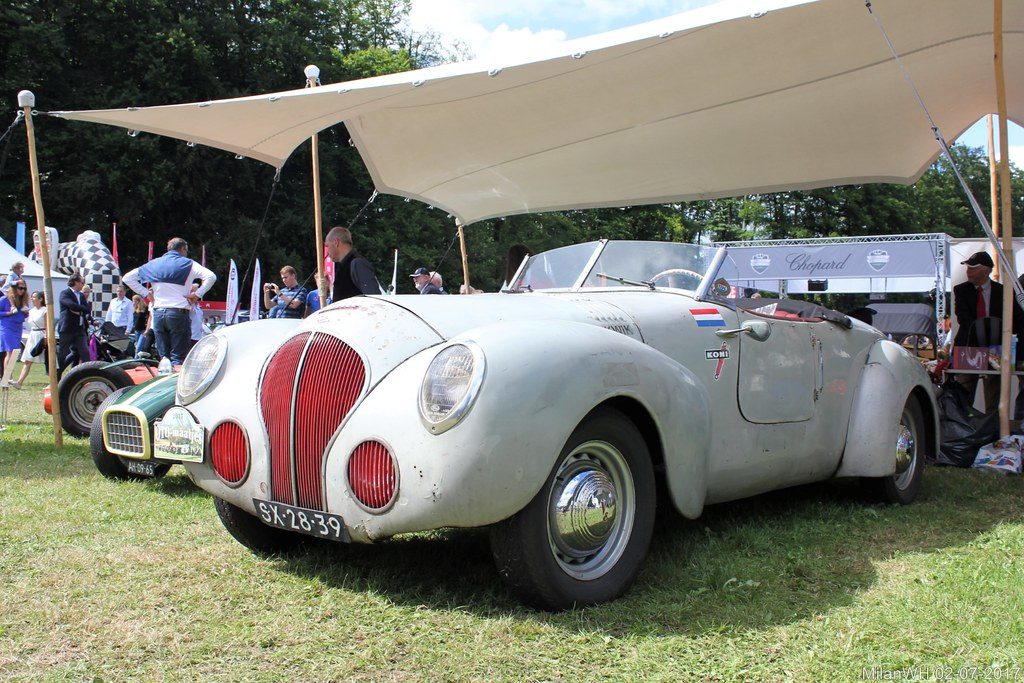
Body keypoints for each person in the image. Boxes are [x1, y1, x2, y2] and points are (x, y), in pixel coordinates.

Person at [123, 237, 216, 365]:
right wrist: (197, 295)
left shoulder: (154, 263)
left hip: (158, 313)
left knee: (164, 359)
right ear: (183, 249)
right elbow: (211, 277)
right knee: (178, 358)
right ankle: (176, 384)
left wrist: (147, 295)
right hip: (178, 313)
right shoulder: (189, 264)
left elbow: (127, 278)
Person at [325, 226, 379, 301]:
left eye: (327, 245)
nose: (327, 251)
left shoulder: (357, 263)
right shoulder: (343, 266)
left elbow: (374, 297)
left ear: (336, 243)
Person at [57, 272, 91, 378]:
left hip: (80, 329)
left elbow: (87, 309)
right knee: (63, 354)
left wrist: (77, 310)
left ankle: (87, 376)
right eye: (82, 282)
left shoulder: (81, 295)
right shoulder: (65, 293)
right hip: (67, 329)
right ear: (76, 282)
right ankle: (57, 375)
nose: (82, 284)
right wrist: (78, 309)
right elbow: (69, 304)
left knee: (85, 353)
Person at [0, 280, 30, 387]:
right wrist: (8, 313)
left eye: (24, 288)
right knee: (9, 351)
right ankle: (7, 377)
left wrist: (26, 313)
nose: (22, 291)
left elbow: (24, 316)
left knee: (15, 352)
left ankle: (8, 377)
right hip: (7, 327)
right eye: (20, 288)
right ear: (14, 288)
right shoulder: (4, 299)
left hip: (18, 327)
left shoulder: (23, 301)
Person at [18, 291, 48, 381]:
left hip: (42, 336)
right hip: (33, 335)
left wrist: (46, 338)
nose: (32, 299)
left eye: (34, 297)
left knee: (48, 361)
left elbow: (48, 326)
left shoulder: (45, 310)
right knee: (28, 360)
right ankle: (19, 382)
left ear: (40, 299)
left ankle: (53, 382)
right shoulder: (31, 311)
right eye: (31, 297)